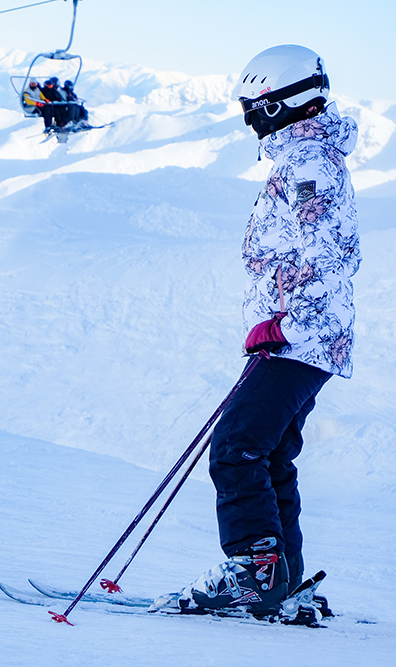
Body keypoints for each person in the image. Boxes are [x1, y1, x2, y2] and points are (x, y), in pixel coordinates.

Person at [155, 45, 360, 615]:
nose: (249, 116)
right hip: (300, 335)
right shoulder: (300, 157)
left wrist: (285, 322)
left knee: (237, 446)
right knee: (267, 455)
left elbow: (332, 253)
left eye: (256, 104)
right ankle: (284, 581)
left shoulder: (309, 162)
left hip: (300, 336)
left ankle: (254, 570)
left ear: (285, 100)